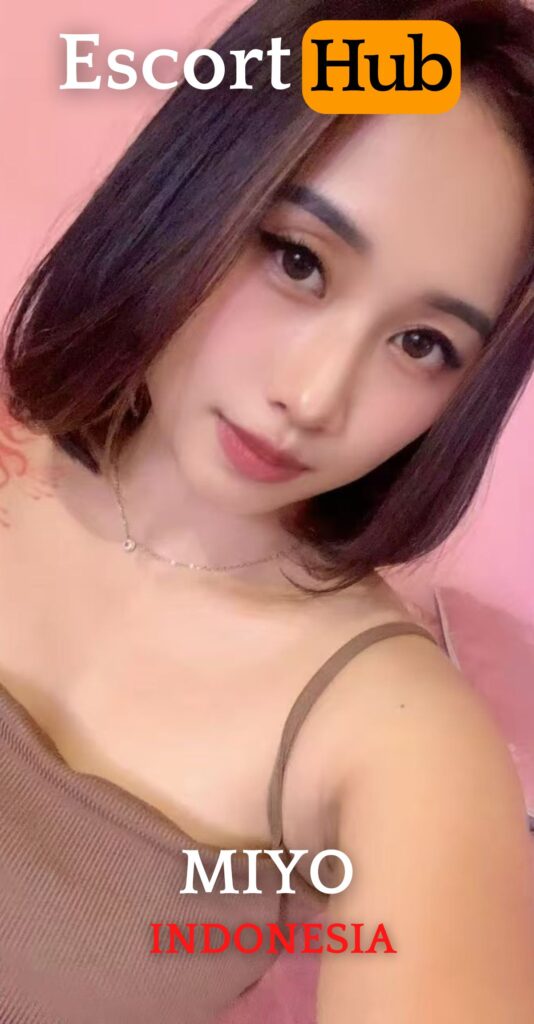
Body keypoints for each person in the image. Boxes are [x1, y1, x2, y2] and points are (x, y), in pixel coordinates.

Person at [1, 0, 533, 1021]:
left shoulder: (399, 738)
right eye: (298, 260)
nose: (316, 396)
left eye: (423, 345)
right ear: (193, 194)